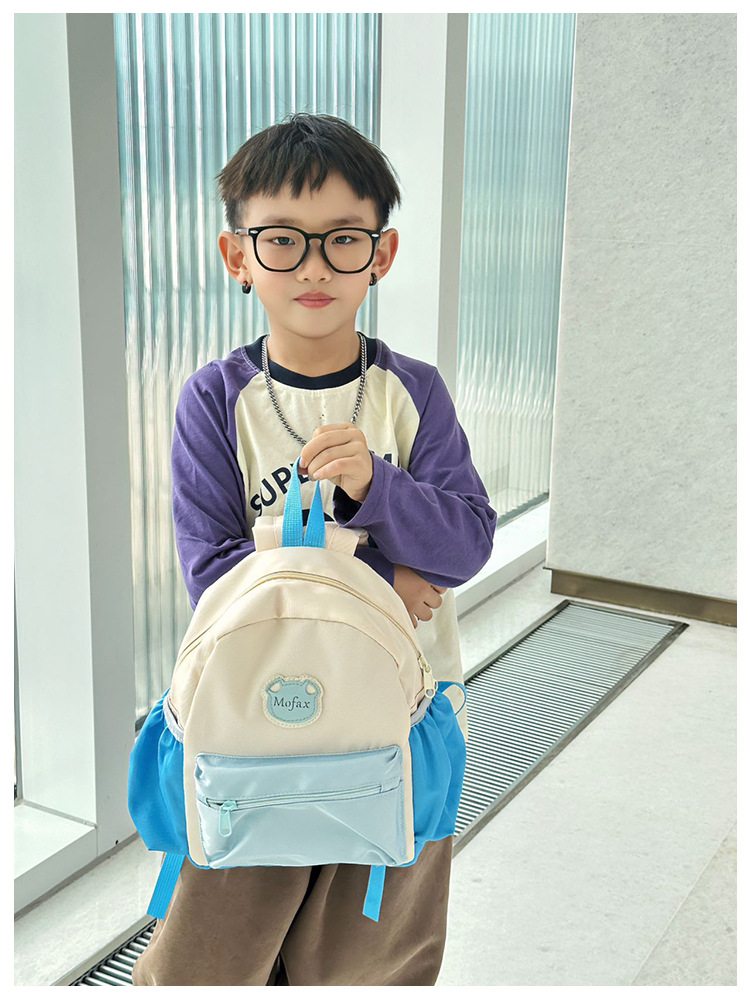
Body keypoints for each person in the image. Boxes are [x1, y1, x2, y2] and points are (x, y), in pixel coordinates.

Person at [132, 113, 497, 987]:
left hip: (404, 720)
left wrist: (379, 486)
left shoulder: (412, 393)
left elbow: (466, 541)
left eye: (342, 239)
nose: (313, 267)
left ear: (382, 253)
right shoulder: (214, 400)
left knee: (373, 960)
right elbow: (213, 575)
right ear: (238, 255)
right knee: (212, 958)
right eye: (282, 240)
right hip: (252, 720)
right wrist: (381, 578)